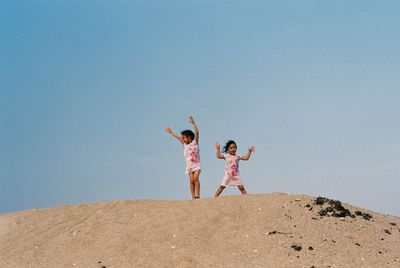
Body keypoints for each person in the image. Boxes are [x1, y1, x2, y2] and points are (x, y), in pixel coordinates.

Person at [165, 116, 201, 199]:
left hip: (197, 164)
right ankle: (193, 197)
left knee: (196, 178)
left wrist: (193, 123)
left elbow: (197, 133)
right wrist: (171, 132)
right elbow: (178, 137)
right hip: (189, 166)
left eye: (184, 137)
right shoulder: (185, 145)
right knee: (191, 181)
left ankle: (197, 194)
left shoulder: (195, 143)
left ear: (189, 137)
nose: (183, 139)